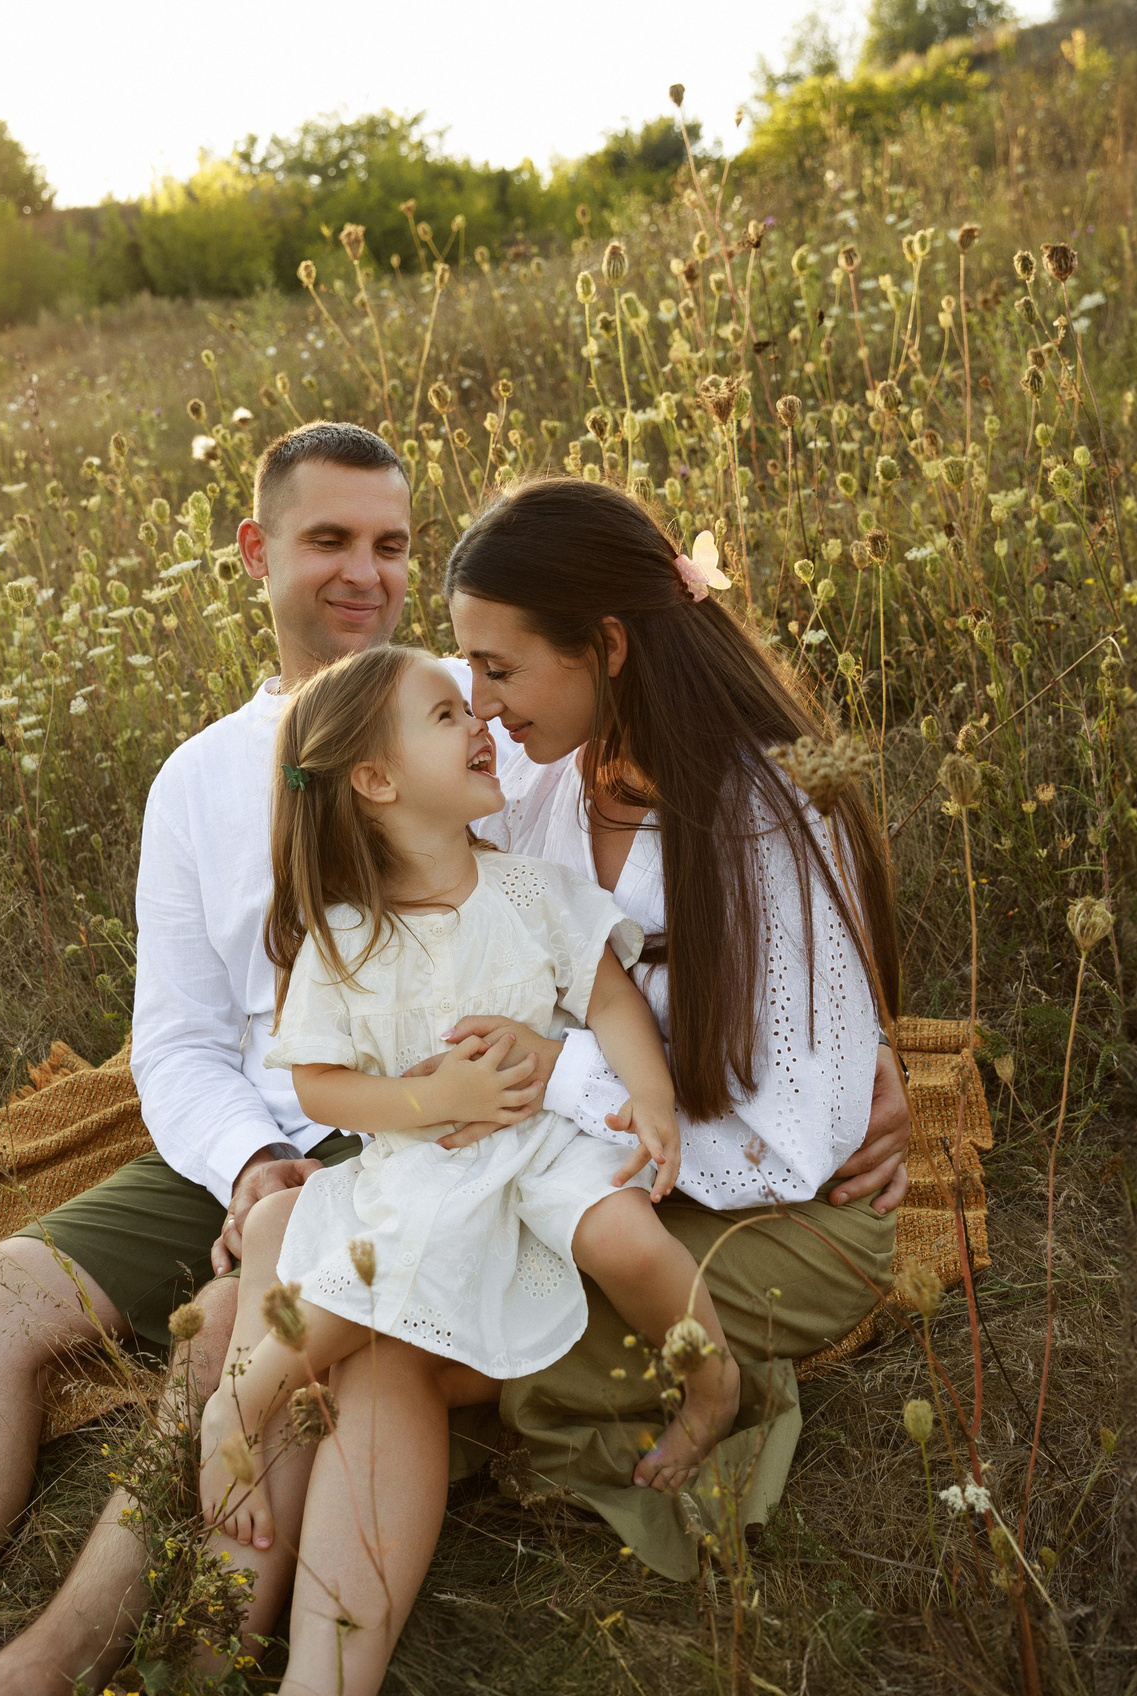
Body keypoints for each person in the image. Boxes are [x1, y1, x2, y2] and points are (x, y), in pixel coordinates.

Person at [0, 432, 912, 1696]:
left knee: (287, 1324)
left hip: (480, 1131)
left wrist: (859, 1042)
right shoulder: (226, 775)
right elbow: (180, 1037)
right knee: (16, 1299)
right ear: (257, 553)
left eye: (390, 545)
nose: (367, 576)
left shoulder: (500, 742)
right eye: (329, 541)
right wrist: (254, 1160)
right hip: (327, 1119)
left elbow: (674, 951)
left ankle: (101, 1656)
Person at [214, 475, 904, 1696]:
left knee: (391, 1339)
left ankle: (277, 1652)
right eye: (465, 680)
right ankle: (228, 1634)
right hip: (572, 1167)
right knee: (369, 1303)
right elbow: (440, 931)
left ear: (608, 647)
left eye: (497, 670)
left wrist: (553, 1075)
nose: (480, 704)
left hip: (760, 1205)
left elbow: (792, 1141)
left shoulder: (771, 820)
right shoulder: (536, 773)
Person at [198, 646, 739, 1558]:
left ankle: (712, 1382)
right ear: (376, 781)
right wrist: (431, 1099)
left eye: (471, 710)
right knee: (368, 1287)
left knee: (626, 1238)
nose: (479, 724)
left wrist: (650, 1093)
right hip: (432, 1158)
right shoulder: (343, 937)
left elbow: (610, 999)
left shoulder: (530, 889)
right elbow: (319, 1084)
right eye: (446, 716)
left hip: (547, 1136)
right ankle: (237, 1406)